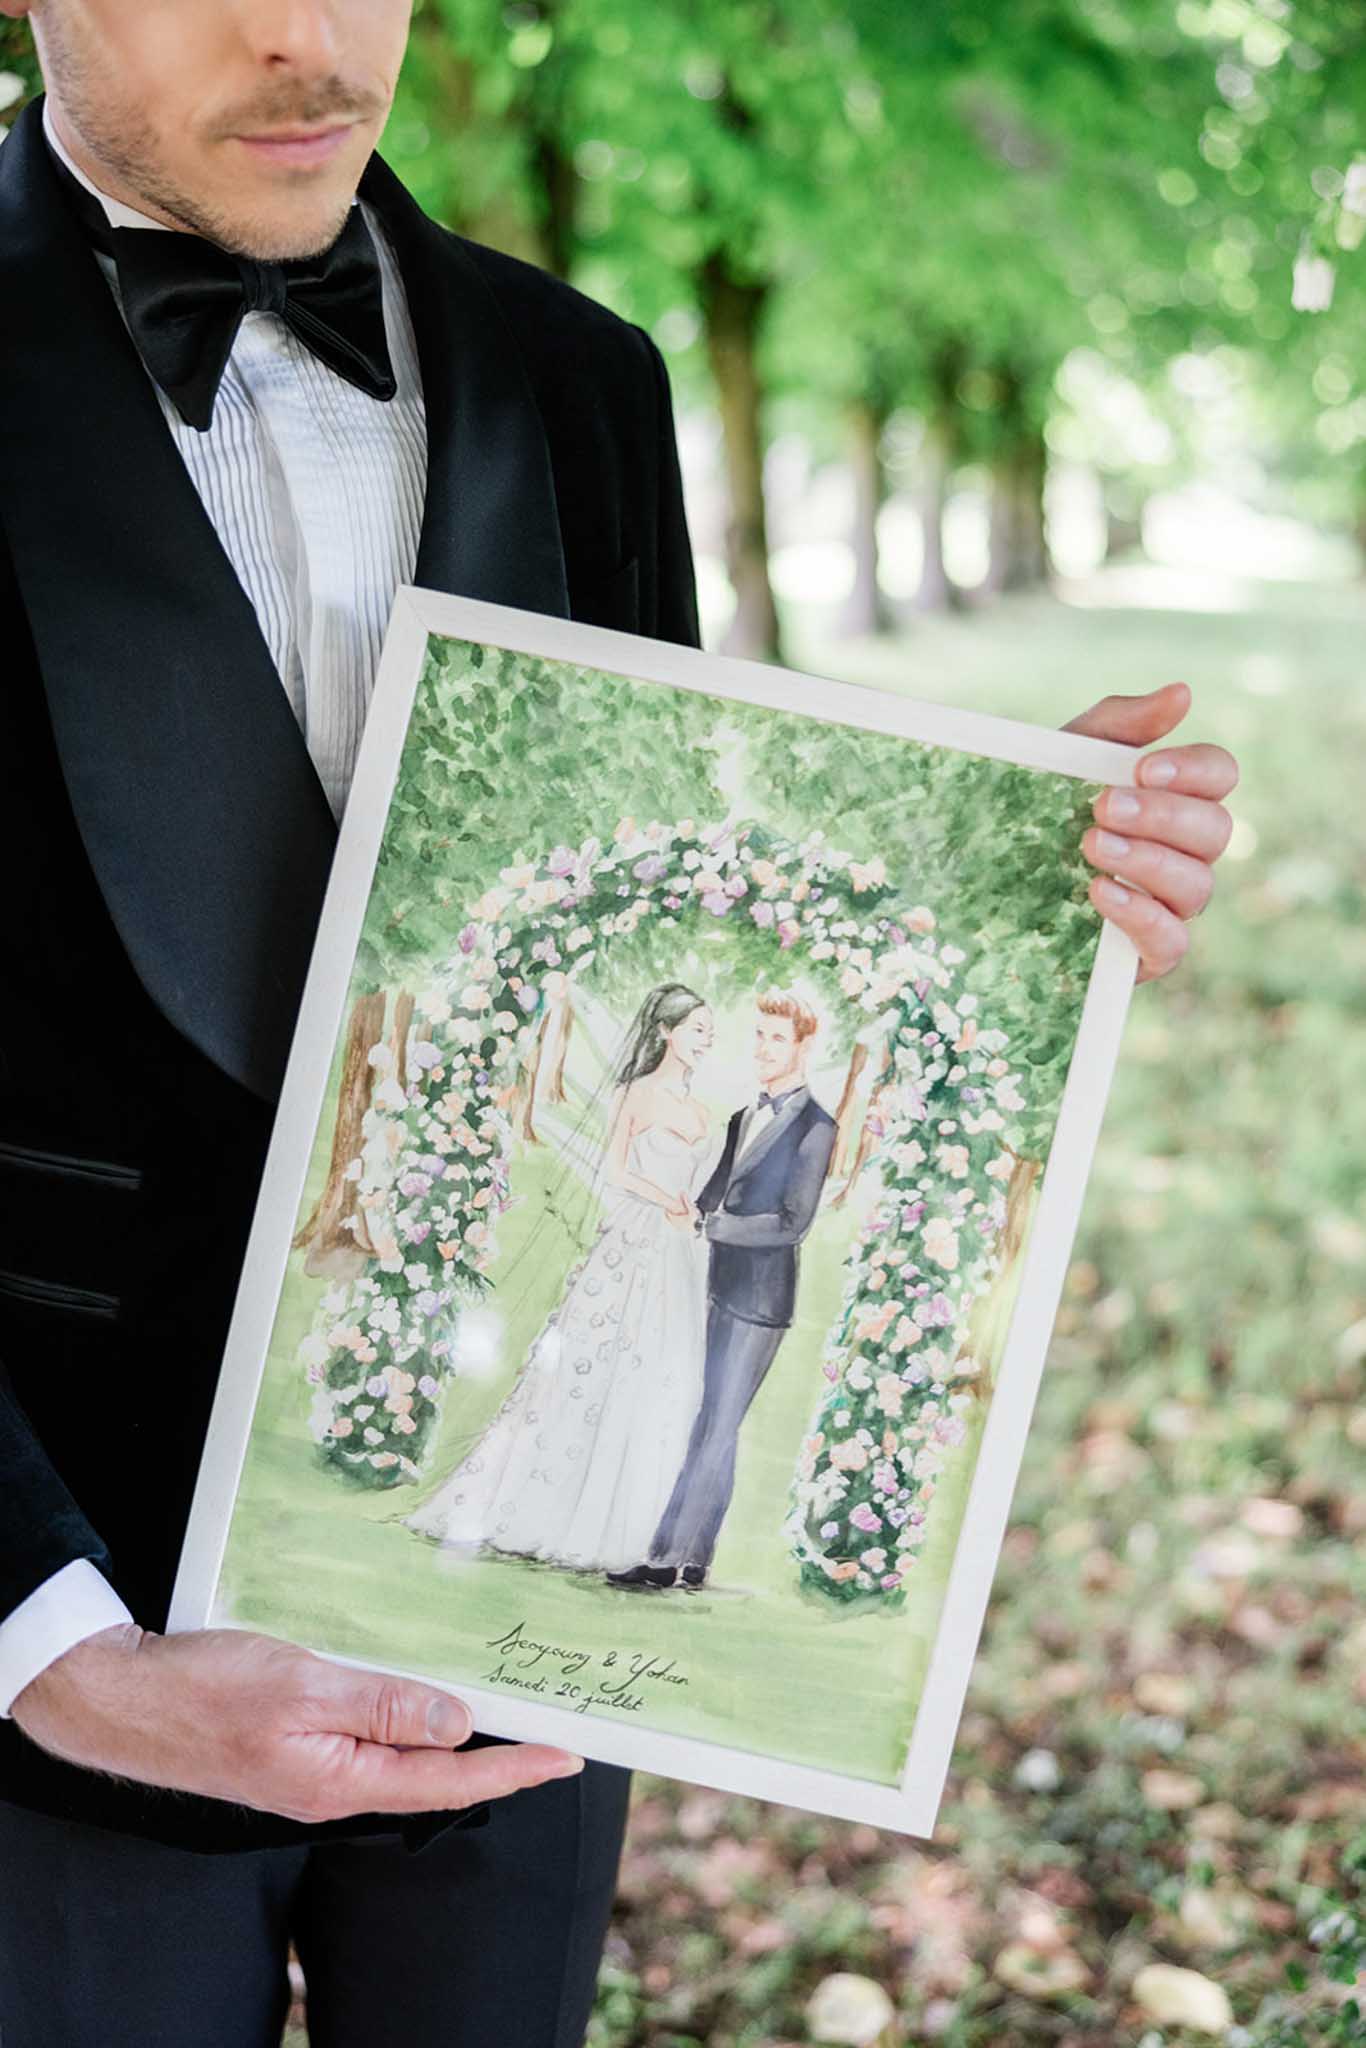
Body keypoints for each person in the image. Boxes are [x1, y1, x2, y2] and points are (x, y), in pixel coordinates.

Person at [0, 1, 1238, 2042]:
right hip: (61, 1658)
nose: (305, 34)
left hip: (524, 1685)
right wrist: (49, 1646)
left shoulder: (582, 375)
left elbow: (642, 830)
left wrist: (1009, 865)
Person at [405, 985, 716, 1572]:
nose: (707, 1039)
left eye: (710, 1030)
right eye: (698, 1028)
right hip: (635, 1238)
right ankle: (545, 1512)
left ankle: (634, 1529)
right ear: (666, 1031)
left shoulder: (702, 1113)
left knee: (661, 1373)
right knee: (593, 1365)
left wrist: (690, 1214)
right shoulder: (633, 1094)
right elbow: (617, 1170)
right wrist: (667, 1201)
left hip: (679, 1251)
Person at [609, 991, 837, 1593]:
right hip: (715, 1286)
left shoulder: (817, 1126)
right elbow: (714, 1194)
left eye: (777, 1038)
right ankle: (695, 1559)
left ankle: (664, 1560)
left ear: (804, 1047)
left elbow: (792, 1223)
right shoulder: (741, 1117)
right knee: (717, 1421)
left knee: (715, 1424)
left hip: (761, 1302)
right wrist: (676, 1206)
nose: (763, 1048)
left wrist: (710, 1226)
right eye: (758, 1035)